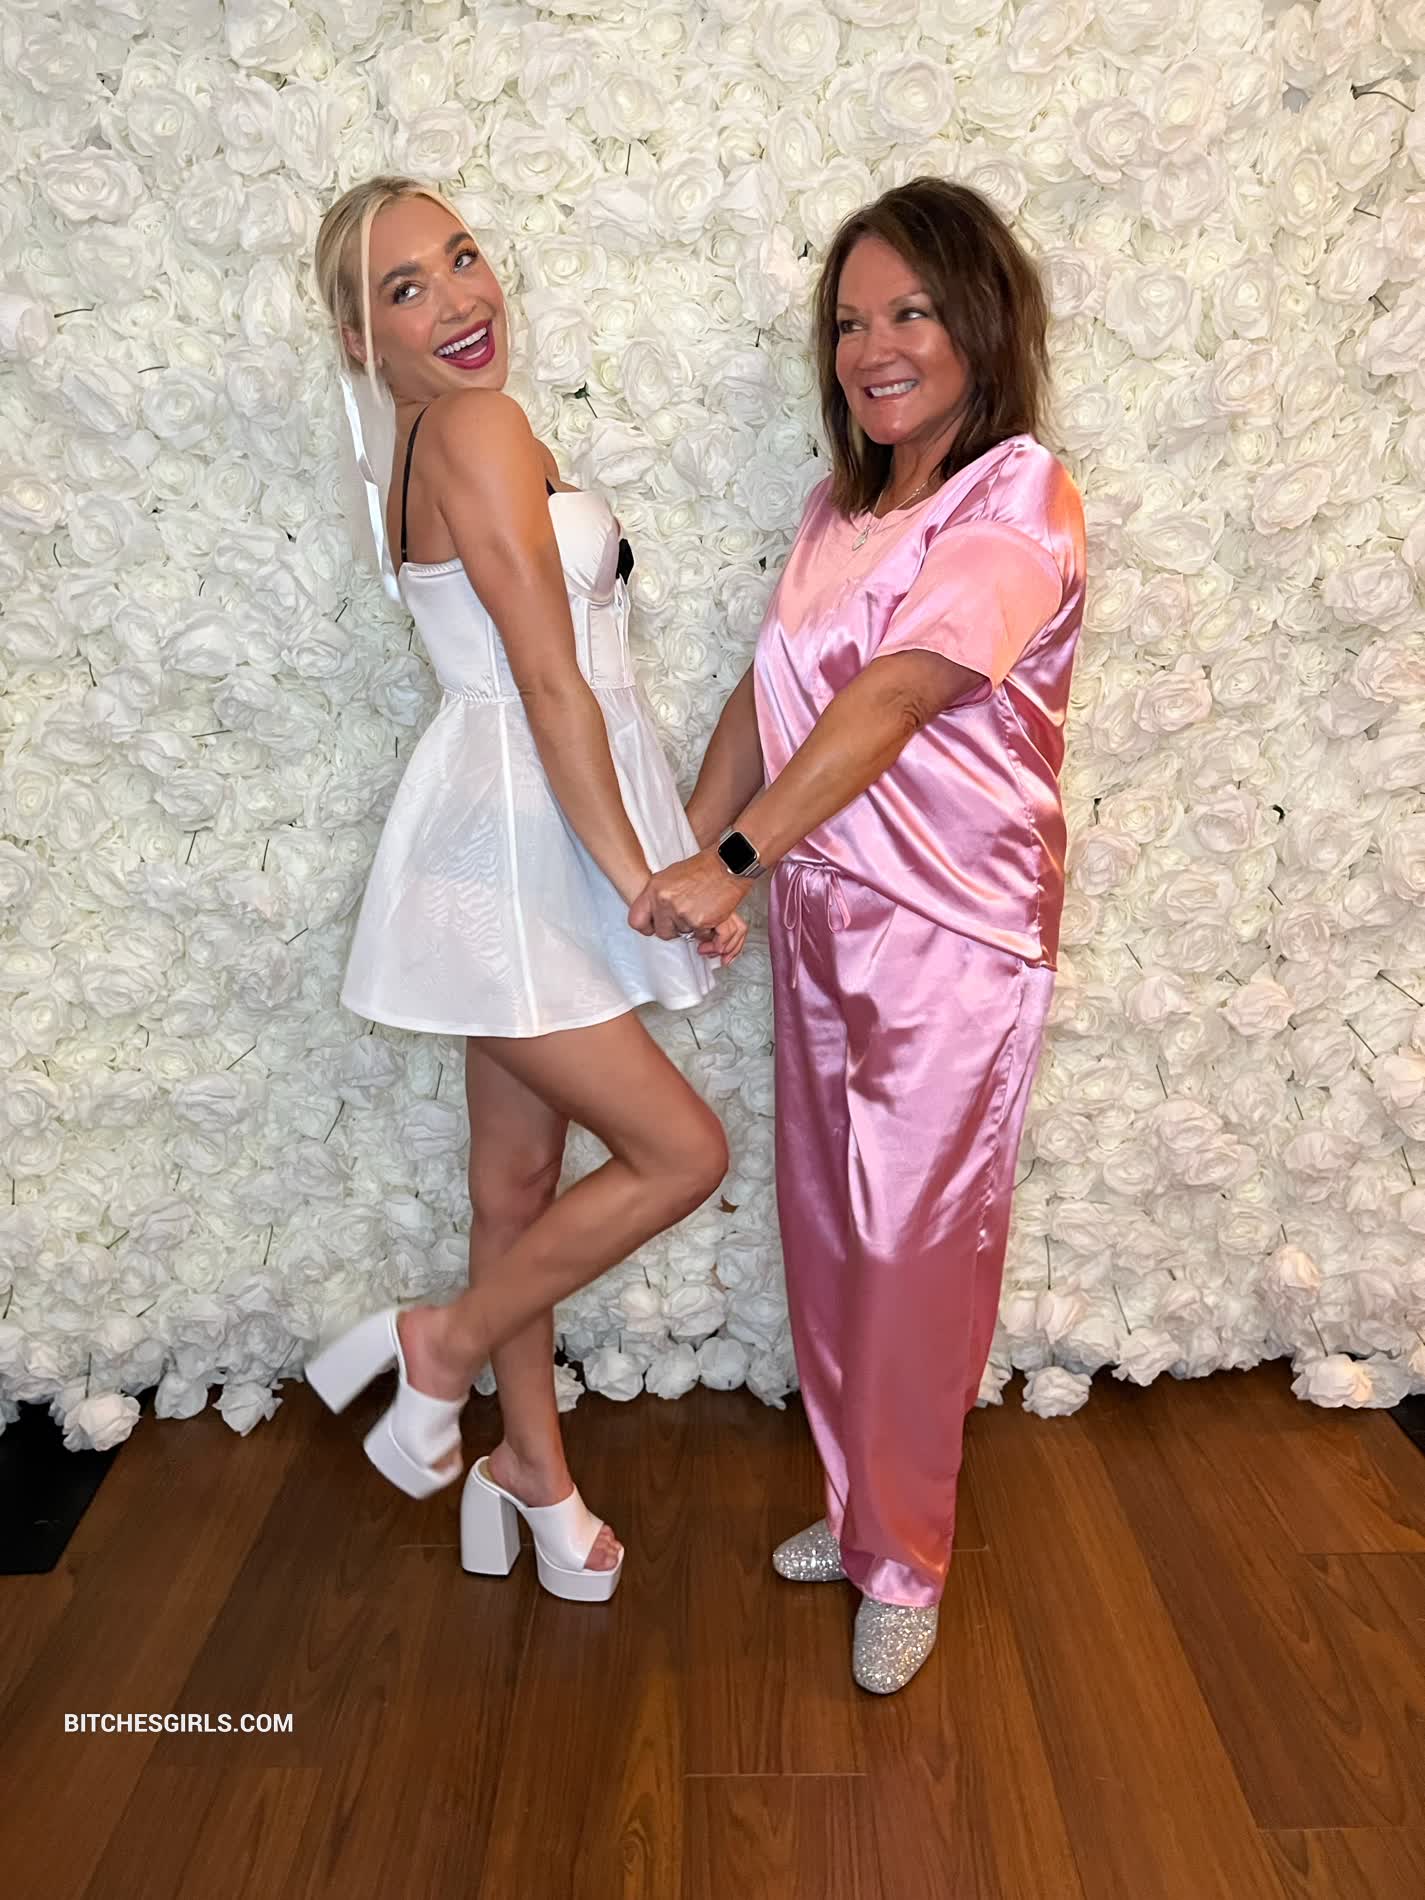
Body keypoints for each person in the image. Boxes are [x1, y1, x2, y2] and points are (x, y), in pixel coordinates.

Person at [632, 178, 1086, 1689]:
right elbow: (770, 696)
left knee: (908, 1249)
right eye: (848, 321)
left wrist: (734, 861)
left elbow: (894, 695)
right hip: (825, 914)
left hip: (954, 930)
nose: (873, 347)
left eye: (910, 312)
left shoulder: (1016, 497)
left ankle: (906, 1559)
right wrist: (695, 858)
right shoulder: (841, 510)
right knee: (829, 1231)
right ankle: (859, 1505)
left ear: (981, 323)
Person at [305, 176, 742, 1603]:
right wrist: (647, 883)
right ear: (359, 338)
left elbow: (571, 689)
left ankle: (529, 1476)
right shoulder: (473, 429)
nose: (457, 299)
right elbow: (551, 684)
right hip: (514, 855)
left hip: (515, 838)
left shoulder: (434, 439)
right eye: (405, 289)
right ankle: (432, 1348)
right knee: (682, 1154)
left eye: (461, 258)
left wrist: (654, 852)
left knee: (515, 1187)